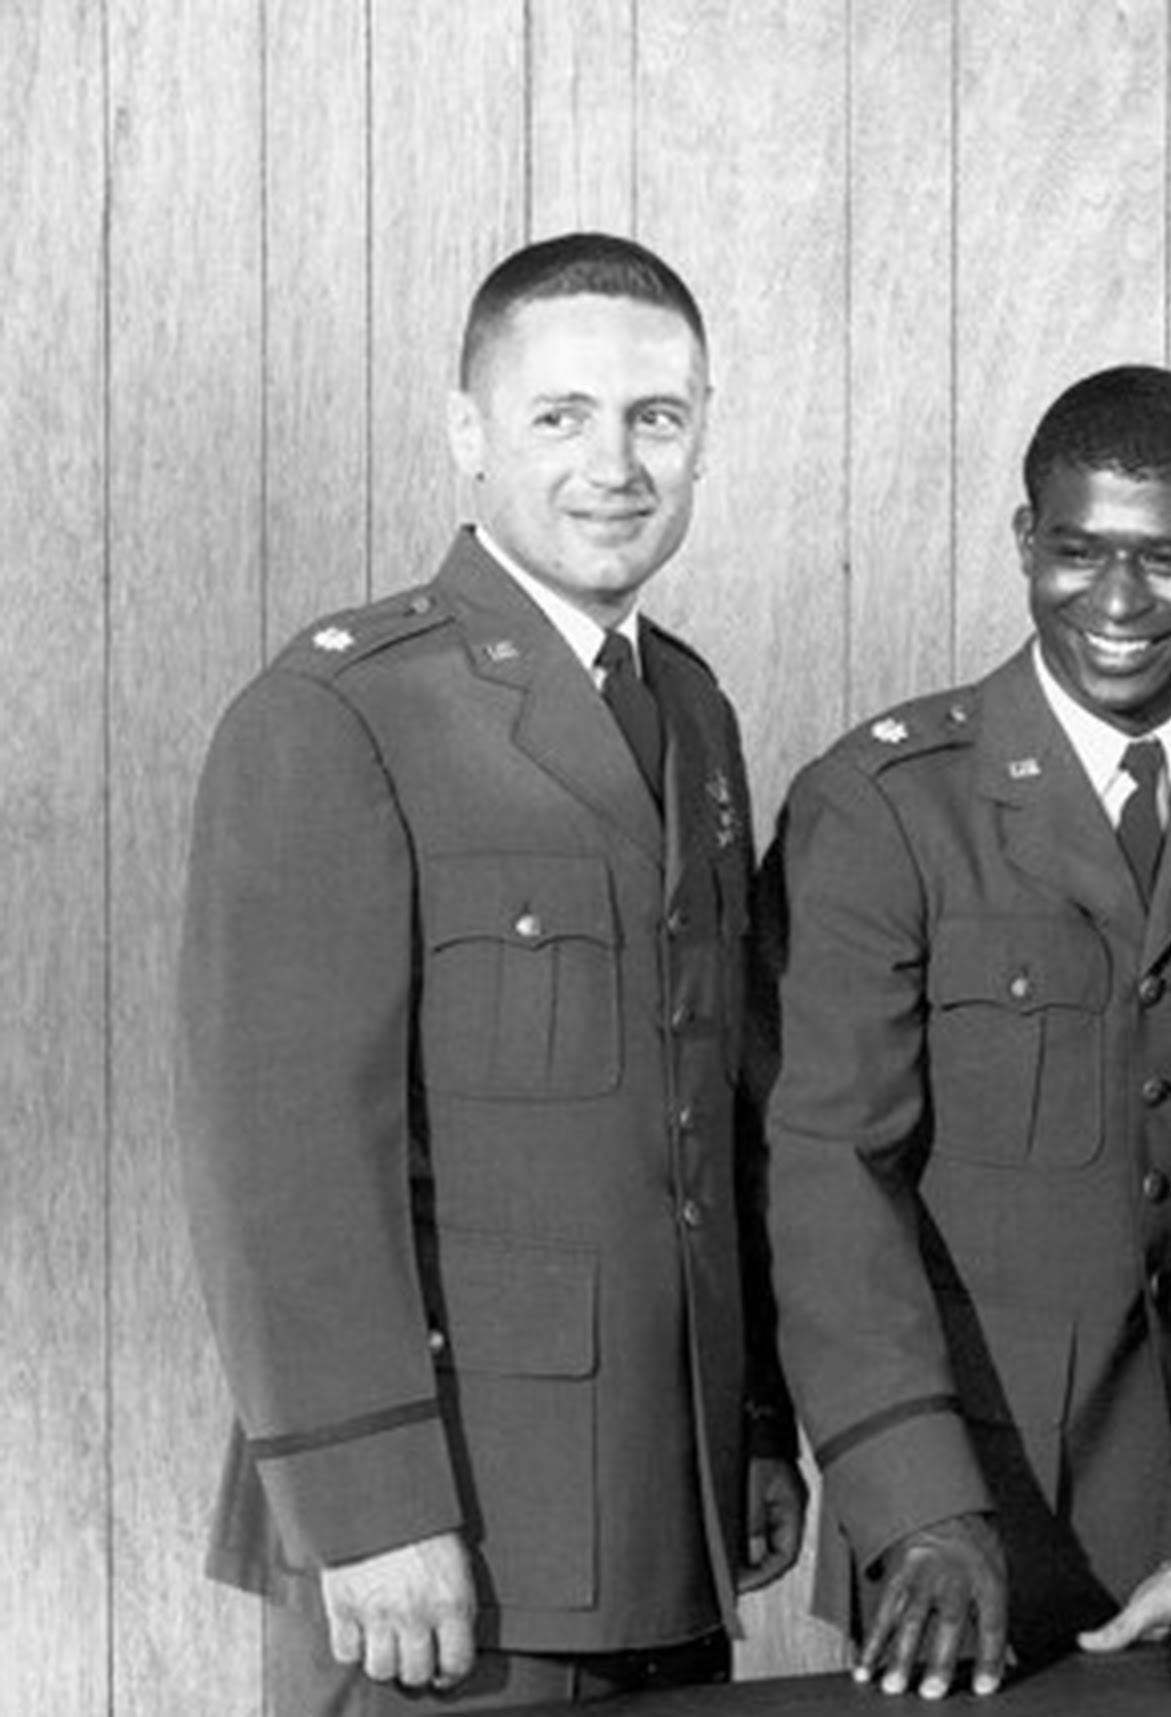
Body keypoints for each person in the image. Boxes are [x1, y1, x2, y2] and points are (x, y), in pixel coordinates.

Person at [179, 232, 806, 1712]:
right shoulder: (341, 713)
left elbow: (707, 1125)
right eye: (559, 415)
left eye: (659, 416)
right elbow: (280, 1159)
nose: (617, 463)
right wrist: (369, 1503)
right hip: (443, 1530)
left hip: (665, 1510)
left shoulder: (690, 714)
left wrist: (754, 1421)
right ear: (468, 433)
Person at [763, 365, 1171, 1699]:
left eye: (1167, 559)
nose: (1116, 603)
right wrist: (917, 1504)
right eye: (1077, 551)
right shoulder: (887, 805)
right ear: (1024, 541)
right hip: (980, 1502)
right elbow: (832, 1172)